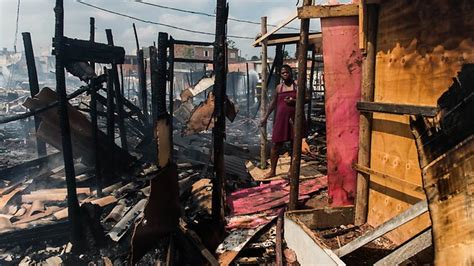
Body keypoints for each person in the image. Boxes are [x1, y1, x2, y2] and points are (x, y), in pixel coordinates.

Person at [260, 64, 308, 178]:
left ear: (291, 72)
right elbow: (273, 103)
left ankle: (292, 170)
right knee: (276, 145)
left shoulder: (298, 85)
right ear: (280, 75)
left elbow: (308, 98)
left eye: (287, 72)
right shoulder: (279, 87)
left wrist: (294, 101)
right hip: (281, 119)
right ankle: (272, 171)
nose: (285, 74)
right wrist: (265, 117)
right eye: (283, 73)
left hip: (296, 119)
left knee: (294, 145)